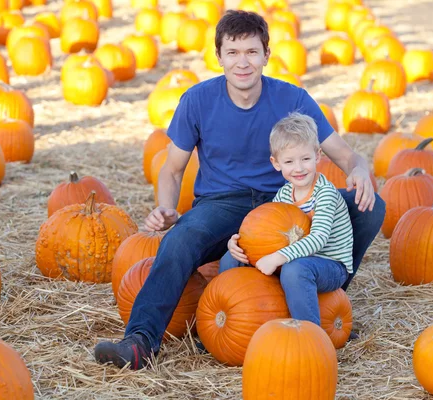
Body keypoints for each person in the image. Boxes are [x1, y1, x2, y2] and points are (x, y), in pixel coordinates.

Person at [94, 9, 385, 370]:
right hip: (222, 204)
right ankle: (140, 341)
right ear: (219, 57)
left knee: (369, 207)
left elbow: (347, 155)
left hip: (286, 203)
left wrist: (359, 172)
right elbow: (171, 169)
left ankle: (324, 308)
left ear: (266, 55)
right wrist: (167, 207)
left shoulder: (292, 98)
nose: (242, 62)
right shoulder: (197, 101)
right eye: (233, 53)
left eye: (251, 52)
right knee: (180, 240)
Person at [219, 112, 354, 326]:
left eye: (306, 159)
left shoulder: (325, 194)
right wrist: (238, 243)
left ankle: (310, 336)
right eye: (289, 161)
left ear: (318, 156)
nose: (299, 168)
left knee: (294, 271)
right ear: (276, 163)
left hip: (329, 264)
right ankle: (227, 317)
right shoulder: (283, 195)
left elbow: (318, 239)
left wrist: (276, 258)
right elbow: (263, 230)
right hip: (293, 257)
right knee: (232, 258)